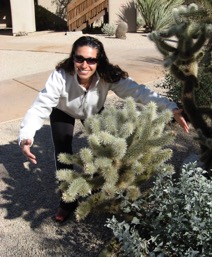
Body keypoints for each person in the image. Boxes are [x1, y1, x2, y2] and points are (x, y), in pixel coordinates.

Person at [19, 36, 189, 222]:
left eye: (91, 60)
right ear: (72, 58)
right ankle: (67, 202)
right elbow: (41, 105)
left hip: (93, 112)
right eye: (79, 58)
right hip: (63, 110)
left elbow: (139, 92)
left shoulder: (109, 76)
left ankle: (100, 186)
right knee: (63, 151)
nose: (84, 65)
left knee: (103, 149)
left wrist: (170, 108)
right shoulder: (61, 75)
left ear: (99, 61)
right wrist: (26, 135)